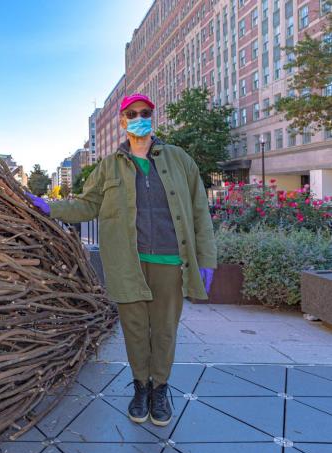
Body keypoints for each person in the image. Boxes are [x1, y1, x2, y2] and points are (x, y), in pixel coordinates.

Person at [27, 93, 216, 426]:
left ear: (152, 117)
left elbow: (200, 209)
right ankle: (140, 388)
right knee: (135, 331)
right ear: (122, 121)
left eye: (145, 112)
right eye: (132, 113)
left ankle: (160, 389)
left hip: (170, 262)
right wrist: (49, 207)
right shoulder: (109, 166)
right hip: (128, 263)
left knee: (165, 331)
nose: (139, 117)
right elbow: (87, 206)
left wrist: (206, 257)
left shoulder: (179, 159)